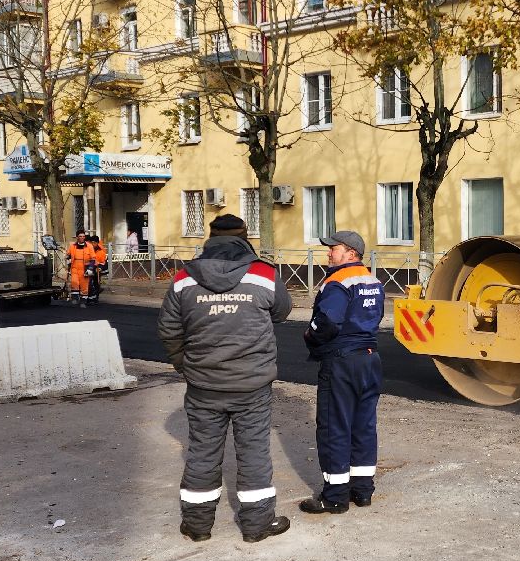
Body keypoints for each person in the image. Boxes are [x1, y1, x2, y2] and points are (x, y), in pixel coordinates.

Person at [158, 213, 292, 543]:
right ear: (244, 237)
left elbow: (168, 329)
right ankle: (257, 525)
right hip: (252, 384)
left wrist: (183, 365)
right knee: (254, 453)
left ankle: (198, 526)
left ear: (211, 237)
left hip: (204, 384)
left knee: (202, 452)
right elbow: (282, 311)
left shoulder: (184, 278)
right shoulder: (263, 274)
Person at [301, 230, 385, 515]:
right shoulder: (373, 280)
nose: (328, 253)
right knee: (363, 426)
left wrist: (310, 337)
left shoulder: (337, 281)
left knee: (334, 427)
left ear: (351, 253)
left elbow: (328, 321)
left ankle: (335, 497)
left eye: (333, 249)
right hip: (370, 360)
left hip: (342, 361)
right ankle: (362, 491)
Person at [65, 230, 93, 304]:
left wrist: (90, 268)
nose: (82, 238)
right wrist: (67, 257)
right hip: (74, 267)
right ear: (77, 237)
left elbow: (93, 258)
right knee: (74, 283)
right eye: (80, 236)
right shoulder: (72, 246)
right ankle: (74, 299)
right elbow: (68, 255)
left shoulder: (89, 246)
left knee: (84, 285)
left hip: (85, 268)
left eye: (83, 236)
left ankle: (83, 300)